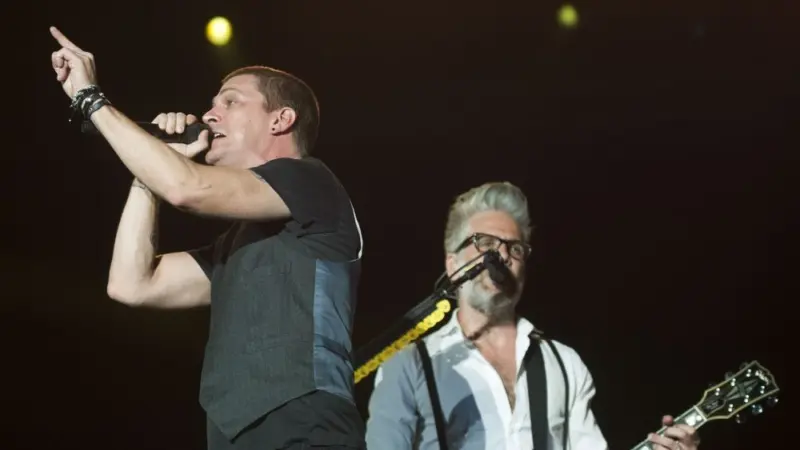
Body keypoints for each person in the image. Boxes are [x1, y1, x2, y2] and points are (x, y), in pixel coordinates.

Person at [49, 27, 365, 449]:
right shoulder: (234, 247)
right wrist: (153, 169)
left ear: (281, 118)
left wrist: (92, 101)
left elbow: (188, 188)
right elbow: (131, 283)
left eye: (231, 101)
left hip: (303, 425)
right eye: (213, 103)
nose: (211, 114)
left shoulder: (310, 180)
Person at [364, 181, 701, 450]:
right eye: (484, 242)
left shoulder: (564, 364)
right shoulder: (407, 365)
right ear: (452, 265)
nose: (502, 255)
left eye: (515, 248)